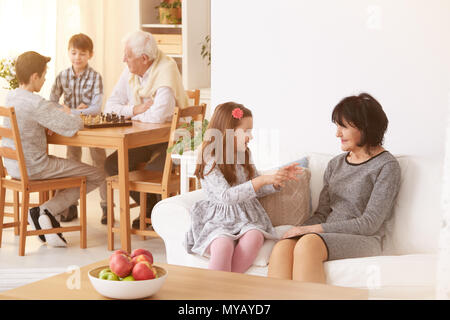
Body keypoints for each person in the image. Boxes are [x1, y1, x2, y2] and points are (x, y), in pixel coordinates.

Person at [268, 93, 401, 283]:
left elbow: (369, 223)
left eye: (343, 127)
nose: (337, 134)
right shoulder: (335, 164)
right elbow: (322, 213)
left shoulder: (386, 166)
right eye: (337, 127)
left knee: (308, 244)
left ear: (365, 127)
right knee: (282, 247)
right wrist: (297, 230)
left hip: (365, 239)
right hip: (326, 235)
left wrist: (313, 231)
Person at [185, 102, 303, 273]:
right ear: (228, 132)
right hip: (219, 220)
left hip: (245, 218)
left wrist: (274, 182)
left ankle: (230, 287)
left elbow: (254, 189)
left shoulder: (245, 154)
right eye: (246, 131)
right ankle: (216, 291)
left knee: (254, 237)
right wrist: (261, 180)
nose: (251, 136)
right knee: (223, 246)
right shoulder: (210, 159)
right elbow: (226, 196)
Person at [2, 51, 105, 247]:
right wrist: (69, 111)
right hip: (36, 167)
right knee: (98, 173)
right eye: (43, 75)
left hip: (13, 166)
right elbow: (73, 125)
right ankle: (44, 210)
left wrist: (49, 120)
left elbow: (42, 117)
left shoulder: (12, 97)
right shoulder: (36, 103)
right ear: (34, 77)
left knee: (81, 171)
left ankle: (43, 214)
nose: (45, 79)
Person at [103, 30, 188, 228]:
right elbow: (110, 106)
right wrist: (136, 109)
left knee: (152, 171)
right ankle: (152, 209)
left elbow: (159, 116)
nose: (124, 59)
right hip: (142, 138)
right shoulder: (130, 71)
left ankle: (156, 213)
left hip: (171, 139)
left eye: (128, 56)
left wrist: (130, 115)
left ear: (143, 58)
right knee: (112, 165)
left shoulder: (166, 69)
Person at [49, 33, 107, 223]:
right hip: (70, 130)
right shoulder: (62, 76)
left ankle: (106, 207)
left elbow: (96, 108)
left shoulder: (95, 77)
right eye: (74, 53)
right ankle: (69, 206)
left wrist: (71, 111)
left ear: (90, 54)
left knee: (101, 163)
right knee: (71, 162)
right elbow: (52, 103)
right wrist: (77, 110)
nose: (77, 58)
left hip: (93, 128)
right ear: (68, 53)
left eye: (82, 54)